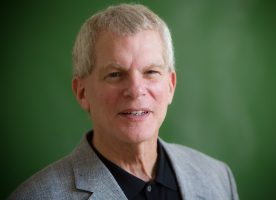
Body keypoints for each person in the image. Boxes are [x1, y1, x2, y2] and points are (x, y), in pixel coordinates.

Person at [9, 3, 239, 200]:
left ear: (170, 86)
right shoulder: (37, 195)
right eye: (115, 74)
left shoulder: (218, 177)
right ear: (82, 93)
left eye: (150, 72)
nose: (136, 90)